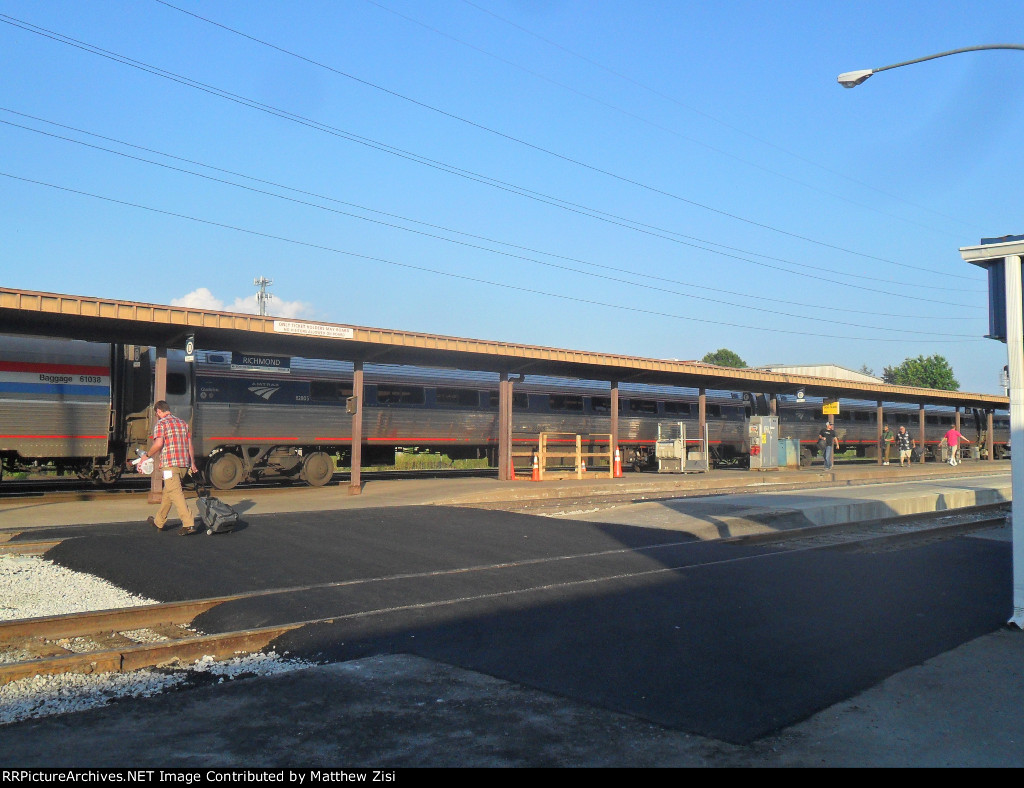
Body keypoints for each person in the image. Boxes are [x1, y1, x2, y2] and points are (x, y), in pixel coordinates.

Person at [136, 400, 200, 534]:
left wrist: (146, 456)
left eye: (157, 413)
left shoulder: (161, 424)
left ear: (159, 411)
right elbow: (190, 445)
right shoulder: (183, 423)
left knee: (176, 493)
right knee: (168, 493)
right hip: (183, 465)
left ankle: (188, 524)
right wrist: (192, 463)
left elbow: (159, 444)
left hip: (170, 466)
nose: (157, 416)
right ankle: (159, 522)